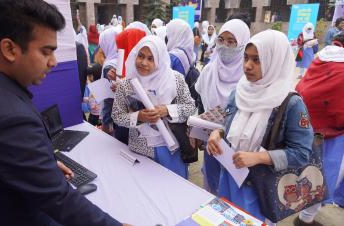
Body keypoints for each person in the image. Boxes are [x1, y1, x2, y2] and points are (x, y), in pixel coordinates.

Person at [0, 0, 126, 226]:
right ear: (10, 49)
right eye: (46, 52)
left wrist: (43, 166)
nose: (53, 62)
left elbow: (3, 159)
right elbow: (60, 200)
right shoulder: (7, 117)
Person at [207, 30, 314, 225]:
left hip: (261, 187)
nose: (247, 66)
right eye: (246, 58)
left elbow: (302, 153)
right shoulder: (240, 90)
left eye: (257, 60)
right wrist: (217, 133)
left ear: (275, 62)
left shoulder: (290, 103)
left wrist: (258, 157)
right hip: (231, 176)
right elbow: (229, 125)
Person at [112, 36, 196, 179]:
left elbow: (190, 107)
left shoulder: (175, 79)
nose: (143, 63)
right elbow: (117, 116)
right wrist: (138, 117)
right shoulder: (127, 84)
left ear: (160, 59)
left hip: (172, 149)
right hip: (141, 150)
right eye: (141, 56)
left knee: (174, 189)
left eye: (151, 59)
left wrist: (167, 110)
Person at [195, 19, 250, 194]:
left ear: (242, 44)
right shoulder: (209, 71)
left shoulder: (249, 77)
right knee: (211, 184)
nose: (225, 45)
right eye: (221, 40)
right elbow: (202, 104)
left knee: (233, 190)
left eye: (231, 41)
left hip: (240, 148)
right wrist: (198, 129)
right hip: (212, 143)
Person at [295, 33, 344, 225]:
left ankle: (305, 212)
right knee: (324, 177)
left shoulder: (320, 59)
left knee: (308, 173)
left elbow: (303, 87)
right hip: (332, 134)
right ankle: (305, 219)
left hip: (305, 125)